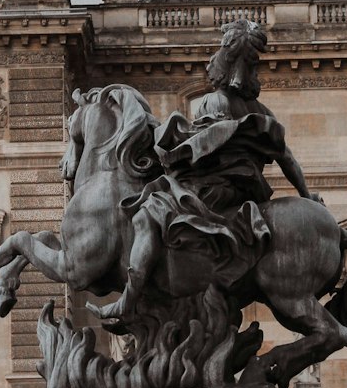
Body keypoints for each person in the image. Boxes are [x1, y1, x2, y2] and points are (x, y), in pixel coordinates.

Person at [92, 19, 324, 325]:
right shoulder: (262, 111)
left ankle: (128, 299)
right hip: (242, 194)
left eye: (218, 54)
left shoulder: (214, 101)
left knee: (147, 213)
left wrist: (164, 139)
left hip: (211, 191)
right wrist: (306, 195)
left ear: (226, 61)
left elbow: (200, 147)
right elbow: (288, 159)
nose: (211, 62)